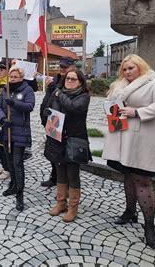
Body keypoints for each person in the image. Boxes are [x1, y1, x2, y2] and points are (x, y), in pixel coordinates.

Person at [102, 54, 155, 249]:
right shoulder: (120, 84)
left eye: (131, 68)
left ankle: (149, 227)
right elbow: (113, 105)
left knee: (142, 180)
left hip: (143, 137)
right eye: (124, 69)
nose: (127, 72)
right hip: (122, 135)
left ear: (140, 66)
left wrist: (137, 112)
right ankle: (130, 212)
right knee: (128, 175)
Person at [43, 69, 90, 222]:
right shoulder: (57, 92)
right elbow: (46, 108)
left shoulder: (83, 96)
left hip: (73, 139)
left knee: (73, 175)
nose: (69, 81)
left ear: (80, 82)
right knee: (60, 172)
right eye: (67, 78)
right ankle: (61, 203)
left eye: (73, 79)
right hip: (57, 137)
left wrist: (59, 94)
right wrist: (48, 116)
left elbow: (73, 107)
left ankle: (73, 208)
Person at [0, 66, 35, 211]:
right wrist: (3, 118)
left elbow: (30, 106)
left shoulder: (27, 90)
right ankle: (12, 184)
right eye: (11, 76)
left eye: (15, 77)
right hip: (7, 130)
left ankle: (20, 192)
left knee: (17, 162)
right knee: (8, 159)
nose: (12, 79)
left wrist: (14, 103)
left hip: (20, 131)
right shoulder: (5, 89)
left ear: (21, 78)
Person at [40, 56, 77, 187]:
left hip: (63, 122)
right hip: (51, 119)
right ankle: (55, 176)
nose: (62, 69)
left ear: (72, 67)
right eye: (61, 66)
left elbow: (67, 98)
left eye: (65, 67)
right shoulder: (55, 79)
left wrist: (54, 87)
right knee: (52, 152)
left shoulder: (73, 81)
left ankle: (64, 182)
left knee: (61, 154)